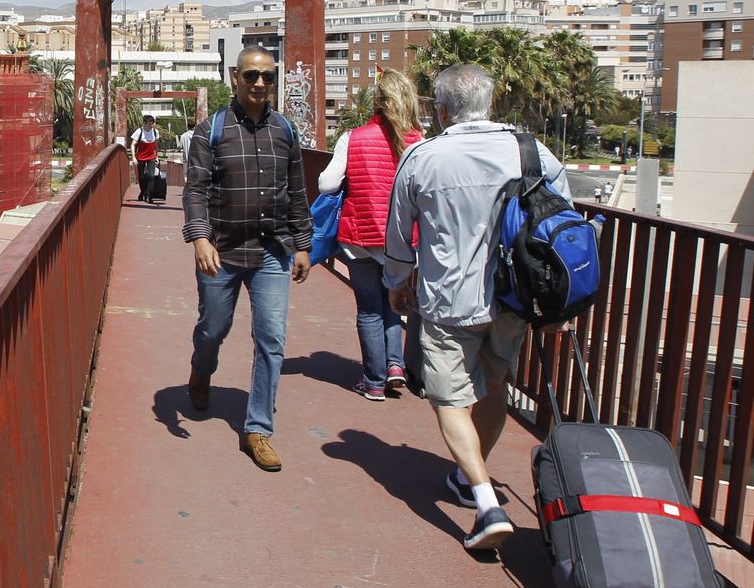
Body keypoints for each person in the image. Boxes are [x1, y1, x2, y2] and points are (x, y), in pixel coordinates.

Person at [384, 63, 571, 553]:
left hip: (448, 300)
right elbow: (565, 225)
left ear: (441, 110)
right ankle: (471, 480)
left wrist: (397, 283)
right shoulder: (534, 152)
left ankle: (487, 503)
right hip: (513, 298)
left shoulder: (424, 157)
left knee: (449, 399)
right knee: (494, 386)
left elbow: (400, 235)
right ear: (490, 103)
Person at [182, 47, 312, 472]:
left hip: (272, 251)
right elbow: (195, 190)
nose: (260, 84)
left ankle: (258, 429)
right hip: (221, 250)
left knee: (272, 339)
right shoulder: (211, 131)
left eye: (268, 77)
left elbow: (296, 193)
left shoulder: (286, 132)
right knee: (213, 328)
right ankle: (202, 370)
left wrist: (303, 245)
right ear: (235, 77)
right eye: (252, 75)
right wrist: (200, 239)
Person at [317, 69, 424, 401]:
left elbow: (326, 184)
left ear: (376, 102)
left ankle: (374, 380)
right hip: (403, 241)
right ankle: (395, 366)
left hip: (360, 237)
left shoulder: (353, 137)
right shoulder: (419, 141)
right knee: (395, 303)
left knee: (368, 308)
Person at [132, 115, 160, 202]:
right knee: (141, 177)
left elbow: (156, 145)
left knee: (151, 176)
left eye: (152, 124)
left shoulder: (155, 131)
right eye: (149, 124)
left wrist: (157, 156)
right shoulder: (139, 131)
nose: (151, 125)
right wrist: (133, 157)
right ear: (144, 123)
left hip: (151, 157)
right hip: (141, 157)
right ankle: (143, 191)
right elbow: (133, 144)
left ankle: (148, 195)